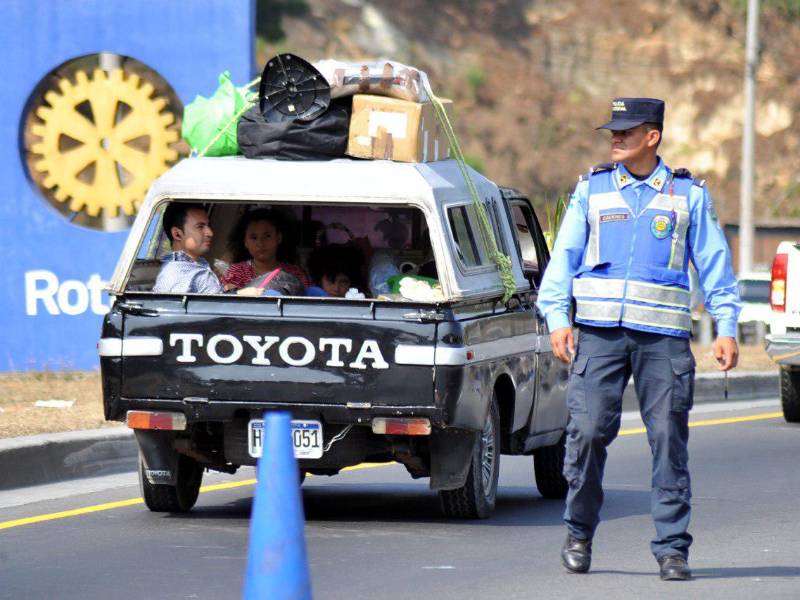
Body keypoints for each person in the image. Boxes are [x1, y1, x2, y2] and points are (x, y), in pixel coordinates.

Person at [537, 98, 742, 581]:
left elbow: (715, 265)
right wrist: (556, 318)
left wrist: (727, 327)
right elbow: (562, 259)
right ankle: (579, 532)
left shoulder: (687, 195)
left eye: (626, 132)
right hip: (599, 337)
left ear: (653, 137)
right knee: (586, 435)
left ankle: (672, 549)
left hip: (663, 342)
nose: (615, 138)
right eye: (613, 130)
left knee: (668, 441)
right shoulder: (592, 190)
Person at [221, 209, 311, 290]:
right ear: (245, 242)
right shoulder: (236, 272)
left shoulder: (295, 273)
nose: (260, 243)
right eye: (254, 237)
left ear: (279, 238)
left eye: (267, 236)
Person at [152, 203, 224, 294]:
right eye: (200, 227)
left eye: (208, 225)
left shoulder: (196, 266)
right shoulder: (176, 274)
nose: (210, 233)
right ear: (177, 234)